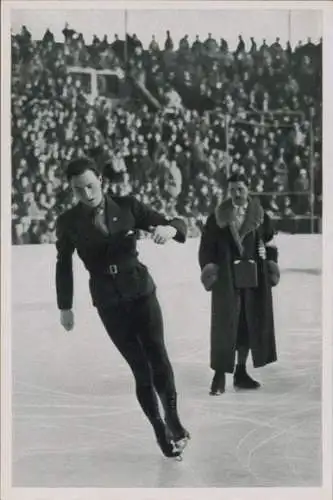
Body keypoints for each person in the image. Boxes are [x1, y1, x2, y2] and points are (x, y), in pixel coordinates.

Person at [55, 156, 190, 458]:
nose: (87, 194)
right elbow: (63, 265)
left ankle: (174, 420)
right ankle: (159, 430)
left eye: (90, 186)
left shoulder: (128, 206)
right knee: (140, 369)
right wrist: (65, 306)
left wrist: (169, 231)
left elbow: (177, 224)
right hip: (109, 302)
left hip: (141, 293)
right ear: (71, 190)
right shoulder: (68, 223)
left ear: (101, 181)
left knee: (159, 359)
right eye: (78, 190)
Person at [198, 172, 280, 395]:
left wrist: (269, 261)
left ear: (248, 189)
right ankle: (219, 376)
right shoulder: (217, 218)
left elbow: (271, 244)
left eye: (240, 189)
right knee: (225, 327)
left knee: (247, 325)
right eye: (232, 190)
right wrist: (210, 269)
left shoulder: (262, 216)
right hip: (227, 280)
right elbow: (205, 248)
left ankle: (240, 372)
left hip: (254, 281)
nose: (236, 194)